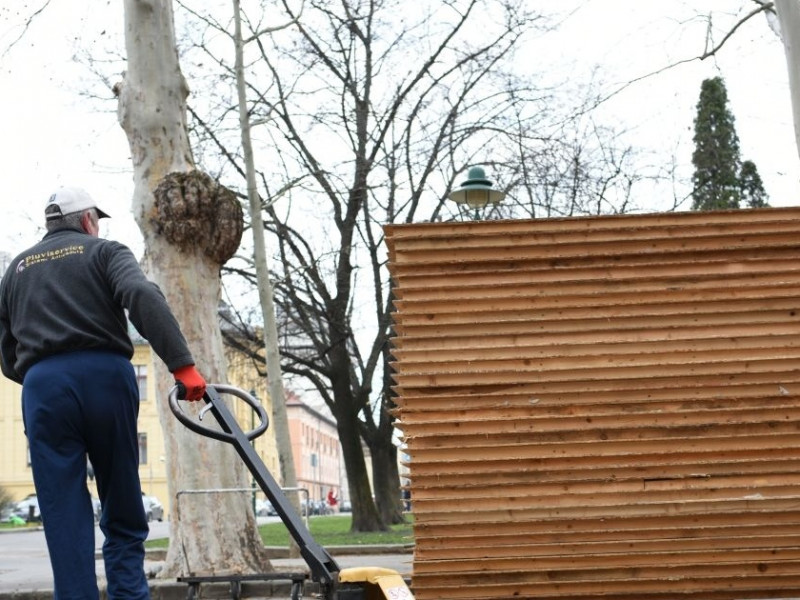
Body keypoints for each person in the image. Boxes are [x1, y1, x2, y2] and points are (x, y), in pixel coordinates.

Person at [0, 187, 207, 600]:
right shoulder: (106, 252)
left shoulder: (16, 269)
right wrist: (183, 366)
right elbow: (142, 294)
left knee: (62, 509)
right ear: (89, 220)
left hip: (43, 386)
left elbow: (6, 348)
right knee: (121, 492)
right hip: (105, 376)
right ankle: (129, 593)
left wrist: (41, 376)